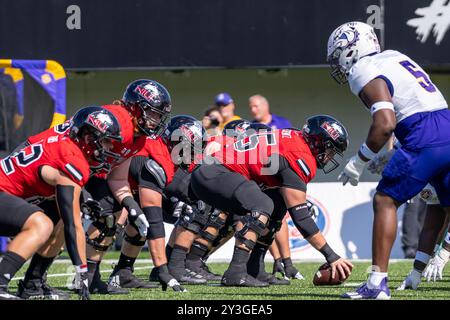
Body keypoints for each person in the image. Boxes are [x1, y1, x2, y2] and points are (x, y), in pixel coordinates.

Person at [327, 21, 450, 299]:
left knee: (384, 200)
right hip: (446, 123)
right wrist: (418, 269)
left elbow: (385, 124)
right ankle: (416, 271)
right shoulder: (395, 56)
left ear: (351, 49)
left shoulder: (362, 69)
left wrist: (359, 160)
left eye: (339, 54)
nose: (338, 63)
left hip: (422, 132)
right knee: (440, 204)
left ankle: (376, 284)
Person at [189, 115, 353, 286]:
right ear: (317, 142)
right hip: (214, 173)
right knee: (262, 205)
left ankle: (255, 268)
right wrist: (331, 255)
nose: (329, 157)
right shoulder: (299, 155)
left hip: (214, 172)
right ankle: (236, 272)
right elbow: (301, 217)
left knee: (277, 205)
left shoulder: (295, 139)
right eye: (330, 150)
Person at [0, 106, 123, 300]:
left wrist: (84, 198)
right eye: (106, 141)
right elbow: (73, 226)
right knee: (42, 224)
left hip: (9, 195)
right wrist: (82, 273)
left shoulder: (66, 147)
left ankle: (33, 283)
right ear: (89, 139)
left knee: (56, 219)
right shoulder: (72, 159)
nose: (109, 149)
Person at [248, 94, 302, 280]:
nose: (252, 110)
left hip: (279, 176)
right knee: (265, 217)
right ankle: (277, 260)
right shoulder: (251, 127)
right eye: (251, 107)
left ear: (265, 105)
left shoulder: (281, 123)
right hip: (260, 177)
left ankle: (287, 263)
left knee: (280, 217)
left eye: (255, 106)